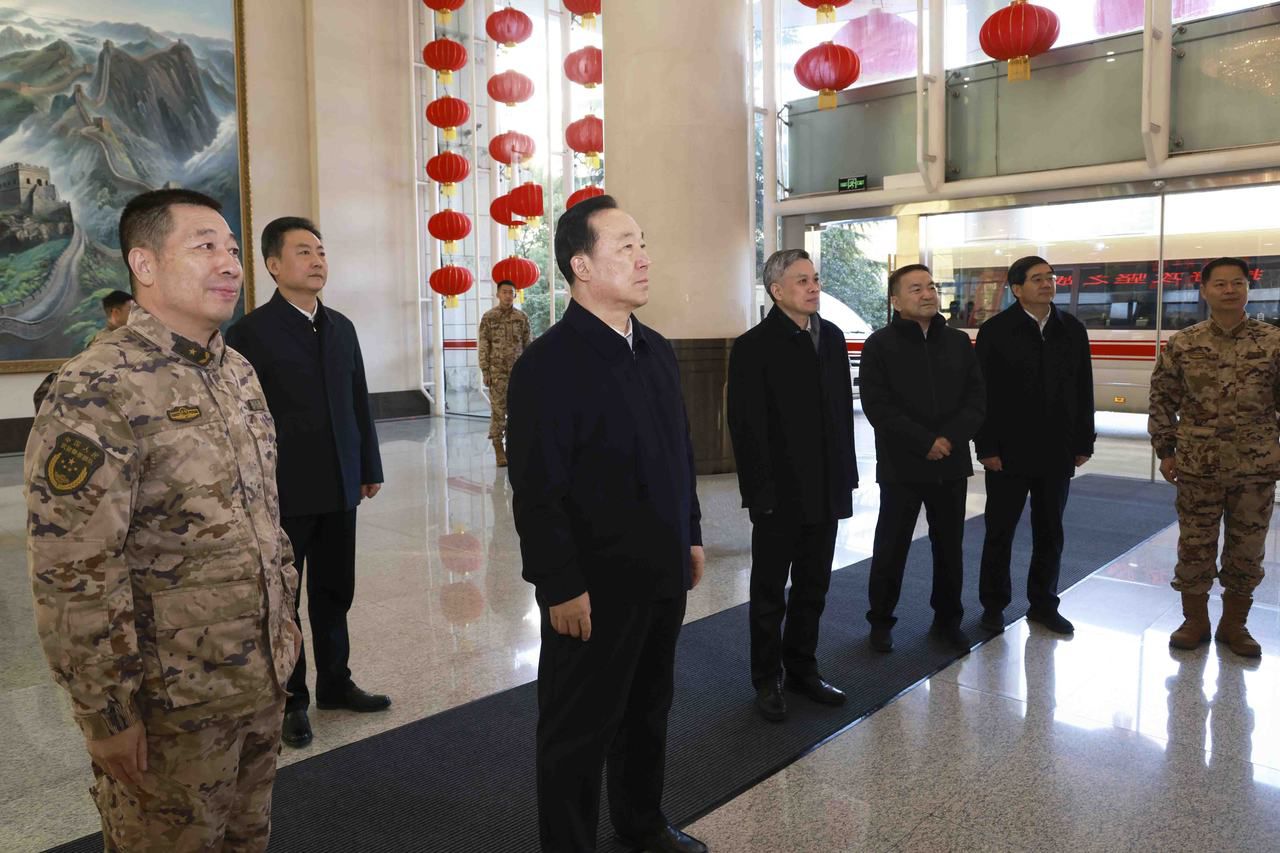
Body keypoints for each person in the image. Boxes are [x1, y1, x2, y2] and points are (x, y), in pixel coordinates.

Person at [25, 188, 301, 850]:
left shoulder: (237, 372)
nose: (230, 263)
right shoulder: (97, 386)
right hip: (169, 708)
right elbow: (74, 567)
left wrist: (286, 638)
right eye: (205, 247)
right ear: (144, 265)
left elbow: (265, 519)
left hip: (258, 680)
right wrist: (107, 712)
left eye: (232, 248)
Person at [507, 194, 707, 853]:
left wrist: (690, 532)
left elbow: (679, 452)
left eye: (643, 244)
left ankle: (641, 824)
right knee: (577, 730)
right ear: (582, 266)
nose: (643, 258)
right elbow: (537, 489)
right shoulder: (547, 365)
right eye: (625, 246)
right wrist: (559, 583)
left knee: (649, 709)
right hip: (592, 585)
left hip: (661, 568)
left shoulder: (655, 350)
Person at [226, 216, 388, 749]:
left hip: (341, 484)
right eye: (303, 252)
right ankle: (292, 700)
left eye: (321, 251)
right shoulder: (249, 334)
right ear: (274, 265)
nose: (317, 261)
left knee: (335, 591)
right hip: (284, 491)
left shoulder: (341, 327)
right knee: (285, 599)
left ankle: (336, 683)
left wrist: (368, 466)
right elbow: (241, 419)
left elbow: (358, 399)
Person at [727, 248, 857, 723]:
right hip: (779, 493)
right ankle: (767, 679)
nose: (813, 287)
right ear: (777, 290)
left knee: (813, 586)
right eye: (802, 280)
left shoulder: (833, 338)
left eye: (815, 278)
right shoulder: (754, 346)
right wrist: (759, 493)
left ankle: (803, 668)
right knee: (769, 592)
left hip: (826, 487)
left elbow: (841, 414)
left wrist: (846, 476)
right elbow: (745, 427)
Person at [1149, 256, 1280, 658]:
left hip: (1255, 466)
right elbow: (1162, 398)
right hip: (1197, 464)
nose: (1229, 290)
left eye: (1237, 283)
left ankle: (1234, 624)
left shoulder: (1272, 342)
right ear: (1204, 291)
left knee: (1247, 548)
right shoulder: (1184, 343)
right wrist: (1165, 449)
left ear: (1247, 289)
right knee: (1195, 544)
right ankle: (1195, 621)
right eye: (1219, 284)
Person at [861, 263, 985, 653]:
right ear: (896, 301)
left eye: (930, 286)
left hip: (951, 463)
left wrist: (949, 438)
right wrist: (924, 441)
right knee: (891, 546)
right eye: (915, 289)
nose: (928, 294)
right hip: (902, 464)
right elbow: (877, 406)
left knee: (949, 547)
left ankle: (947, 621)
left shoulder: (958, 342)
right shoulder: (879, 345)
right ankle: (881, 621)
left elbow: (976, 399)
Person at [975, 256, 1095, 635]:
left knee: (1050, 531)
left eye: (1051, 277)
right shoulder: (996, 331)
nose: (1047, 284)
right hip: (1007, 451)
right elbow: (982, 393)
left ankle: (1043, 604)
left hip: (1057, 449)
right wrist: (986, 446)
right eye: (1037, 278)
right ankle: (993, 605)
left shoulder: (1071, 329)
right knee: (1000, 531)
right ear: (1017, 289)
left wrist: (1083, 440)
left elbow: (1084, 389)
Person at [32, 291, 136, 412]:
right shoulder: (104, 344)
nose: (136, 315)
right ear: (116, 313)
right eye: (131, 310)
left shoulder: (123, 339)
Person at [479, 278, 532, 467]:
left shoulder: (521, 318)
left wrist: (529, 371)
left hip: (518, 373)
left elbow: (527, 345)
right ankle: (498, 448)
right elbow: (484, 345)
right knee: (499, 411)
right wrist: (485, 370)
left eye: (511, 292)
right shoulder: (489, 317)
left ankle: (513, 446)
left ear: (515, 295)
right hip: (497, 373)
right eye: (505, 292)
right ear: (498, 294)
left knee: (517, 411)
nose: (508, 296)